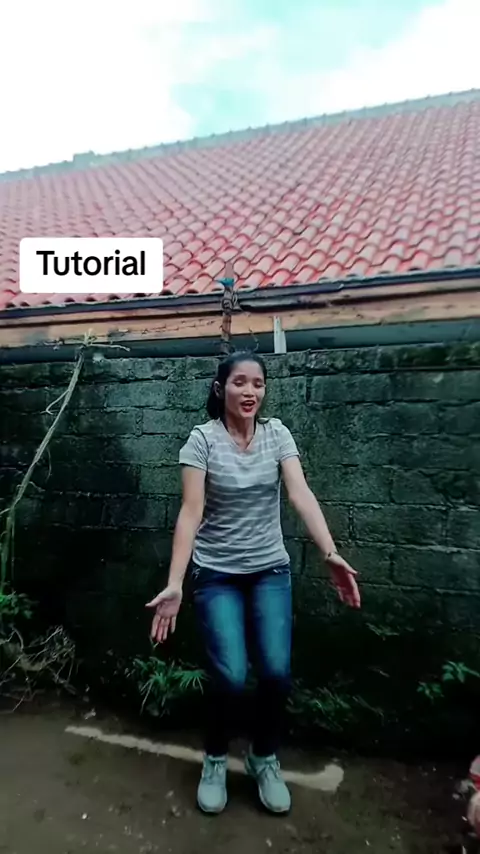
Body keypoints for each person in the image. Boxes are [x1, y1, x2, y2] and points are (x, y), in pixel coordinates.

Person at [146, 351, 361, 815]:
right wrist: (176, 582)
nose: (250, 391)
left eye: (258, 383)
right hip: (217, 573)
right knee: (229, 675)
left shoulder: (277, 434)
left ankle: (264, 758)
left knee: (277, 673)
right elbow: (191, 511)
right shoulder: (202, 440)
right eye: (239, 382)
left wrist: (329, 552)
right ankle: (215, 760)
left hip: (269, 571)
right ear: (220, 388)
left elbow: (300, 493)